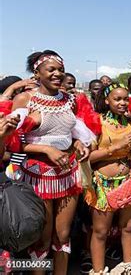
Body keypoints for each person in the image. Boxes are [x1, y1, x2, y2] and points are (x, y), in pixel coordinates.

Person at [11, 50, 93, 275]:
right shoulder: (24, 99)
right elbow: (12, 143)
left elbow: (72, 131)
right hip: (39, 175)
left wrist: (78, 144)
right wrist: (46, 149)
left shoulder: (70, 99)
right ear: (37, 73)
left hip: (67, 174)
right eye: (52, 70)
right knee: (42, 240)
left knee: (63, 235)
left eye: (61, 70)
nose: (58, 74)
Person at [85, 83, 131, 275]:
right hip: (103, 184)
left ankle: (130, 266)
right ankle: (99, 270)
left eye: (126, 99)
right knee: (101, 231)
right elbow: (88, 158)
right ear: (107, 100)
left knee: (128, 227)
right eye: (117, 99)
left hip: (127, 180)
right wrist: (116, 147)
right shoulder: (97, 122)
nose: (122, 103)